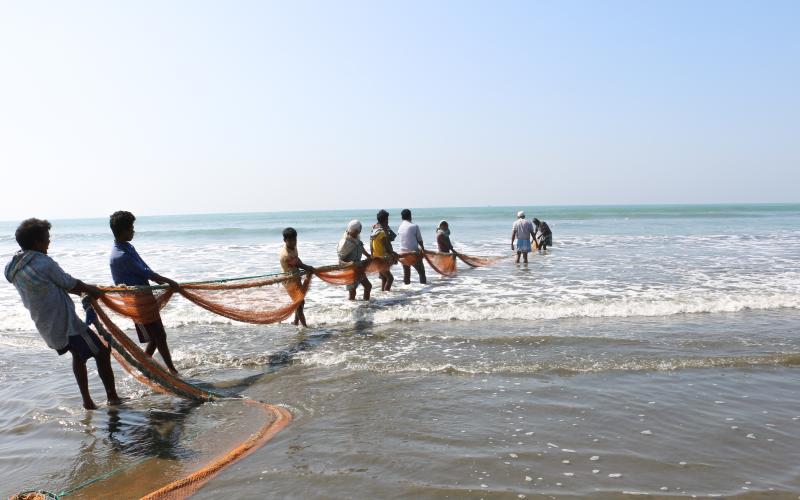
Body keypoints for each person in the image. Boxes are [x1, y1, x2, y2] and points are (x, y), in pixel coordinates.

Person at [5, 218, 121, 410]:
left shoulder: (13, 267)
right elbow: (69, 284)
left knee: (78, 355)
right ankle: (113, 397)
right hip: (66, 323)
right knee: (101, 351)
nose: (49, 242)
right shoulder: (43, 262)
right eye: (46, 239)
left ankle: (87, 401)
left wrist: (84, 289)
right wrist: (92, 290)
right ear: (36, 243)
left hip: (45, 323)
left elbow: (53, 284)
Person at [109, 211, 180, 375]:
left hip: (145, 298)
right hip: (136, 302)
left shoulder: (127, 247)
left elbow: (145, 269)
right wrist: (168, 282)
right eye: (131, 228)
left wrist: (161, 280)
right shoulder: (120, 255)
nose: (133, 231)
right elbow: (145, 272)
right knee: (158, 336)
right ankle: (170, 370)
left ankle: (143, 368)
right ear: (123, 230)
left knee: (158, 337)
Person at [280, 227, 315, 326]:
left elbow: (297, 259)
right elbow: (298, 264)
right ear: (285, 241)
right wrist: (308, 268)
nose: (293, 242)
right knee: (299, 304)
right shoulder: (286, 255)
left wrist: (306, 267)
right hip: (289, 280)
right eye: (290, 240)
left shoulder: (293, 247)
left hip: (296, 277)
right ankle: (305, 327)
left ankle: (296, 322)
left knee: (301, 302)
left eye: (294, 239)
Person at [336, 220, 372, 300]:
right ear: (356, 230)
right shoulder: (345, 242)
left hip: (359, 269)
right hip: (350, 271)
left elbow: (360, 247)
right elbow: (340, 261)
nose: (360, 231)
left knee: (368, 286)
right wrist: (350, 264)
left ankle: (366, 305)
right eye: (360, 229)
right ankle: (351, 309)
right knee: (352, 292)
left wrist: (368, 256)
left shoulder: (356, 238)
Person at [370, 209, 398, 291]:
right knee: (390, 278)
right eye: (387, 219)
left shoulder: (374, 228)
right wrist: (394, 255)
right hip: (383, 258)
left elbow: (371, 243)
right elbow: (387, 246)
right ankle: (386, 297)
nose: (388, 221)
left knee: (384, 278)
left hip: (376, 257)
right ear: (385, 219)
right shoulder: (382, 232)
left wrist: (372, 255)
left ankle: (383, 295)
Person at [397, 208, 427, 284]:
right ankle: (424, 290)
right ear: (410, 216)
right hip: (413, 254)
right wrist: (423, 250)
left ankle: (407, 292)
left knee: (406, 274)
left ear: (402, 217)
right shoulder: (414, 226)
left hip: (403, 254)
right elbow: (420, 240)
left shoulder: (400, 227)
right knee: (422, 273)